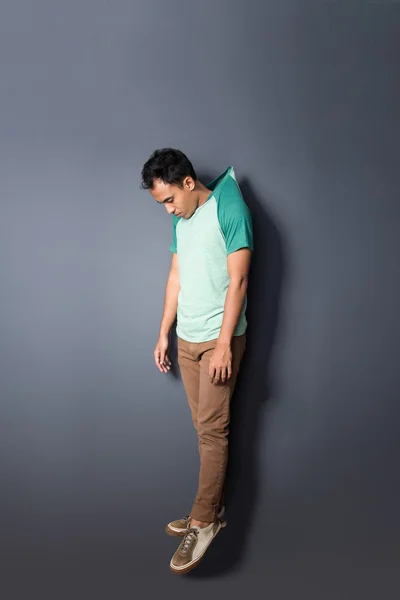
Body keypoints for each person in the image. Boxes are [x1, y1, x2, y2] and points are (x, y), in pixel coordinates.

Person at [141, 148, 253, 574]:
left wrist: (225, 344)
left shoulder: (230, 205)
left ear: (188, 183)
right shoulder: (181, 219)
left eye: (169, 199)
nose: (168, 209)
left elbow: (239, 279)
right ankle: (207, 508)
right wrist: (163, 332)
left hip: (217, 341)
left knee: (212, 431)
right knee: (204, 429)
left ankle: (205, 522)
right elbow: (176, 276)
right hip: (186, 339)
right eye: (162, 204)